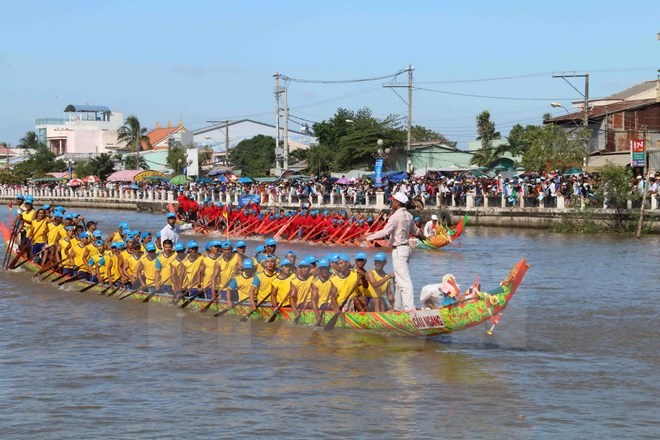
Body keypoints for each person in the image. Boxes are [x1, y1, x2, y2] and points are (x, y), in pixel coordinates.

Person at [365, 192, 425, 311]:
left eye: (393, 201)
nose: (391, 203)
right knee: (398, 280)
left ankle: (409, 309)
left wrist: (367, 237)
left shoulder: (395, 216)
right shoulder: (409, 216)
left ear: (398, 203)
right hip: (406, 250)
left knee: (404, 281)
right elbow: (417, 232)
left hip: (399, 250)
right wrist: (424, 238)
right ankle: (398, 307)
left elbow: (385, 232)